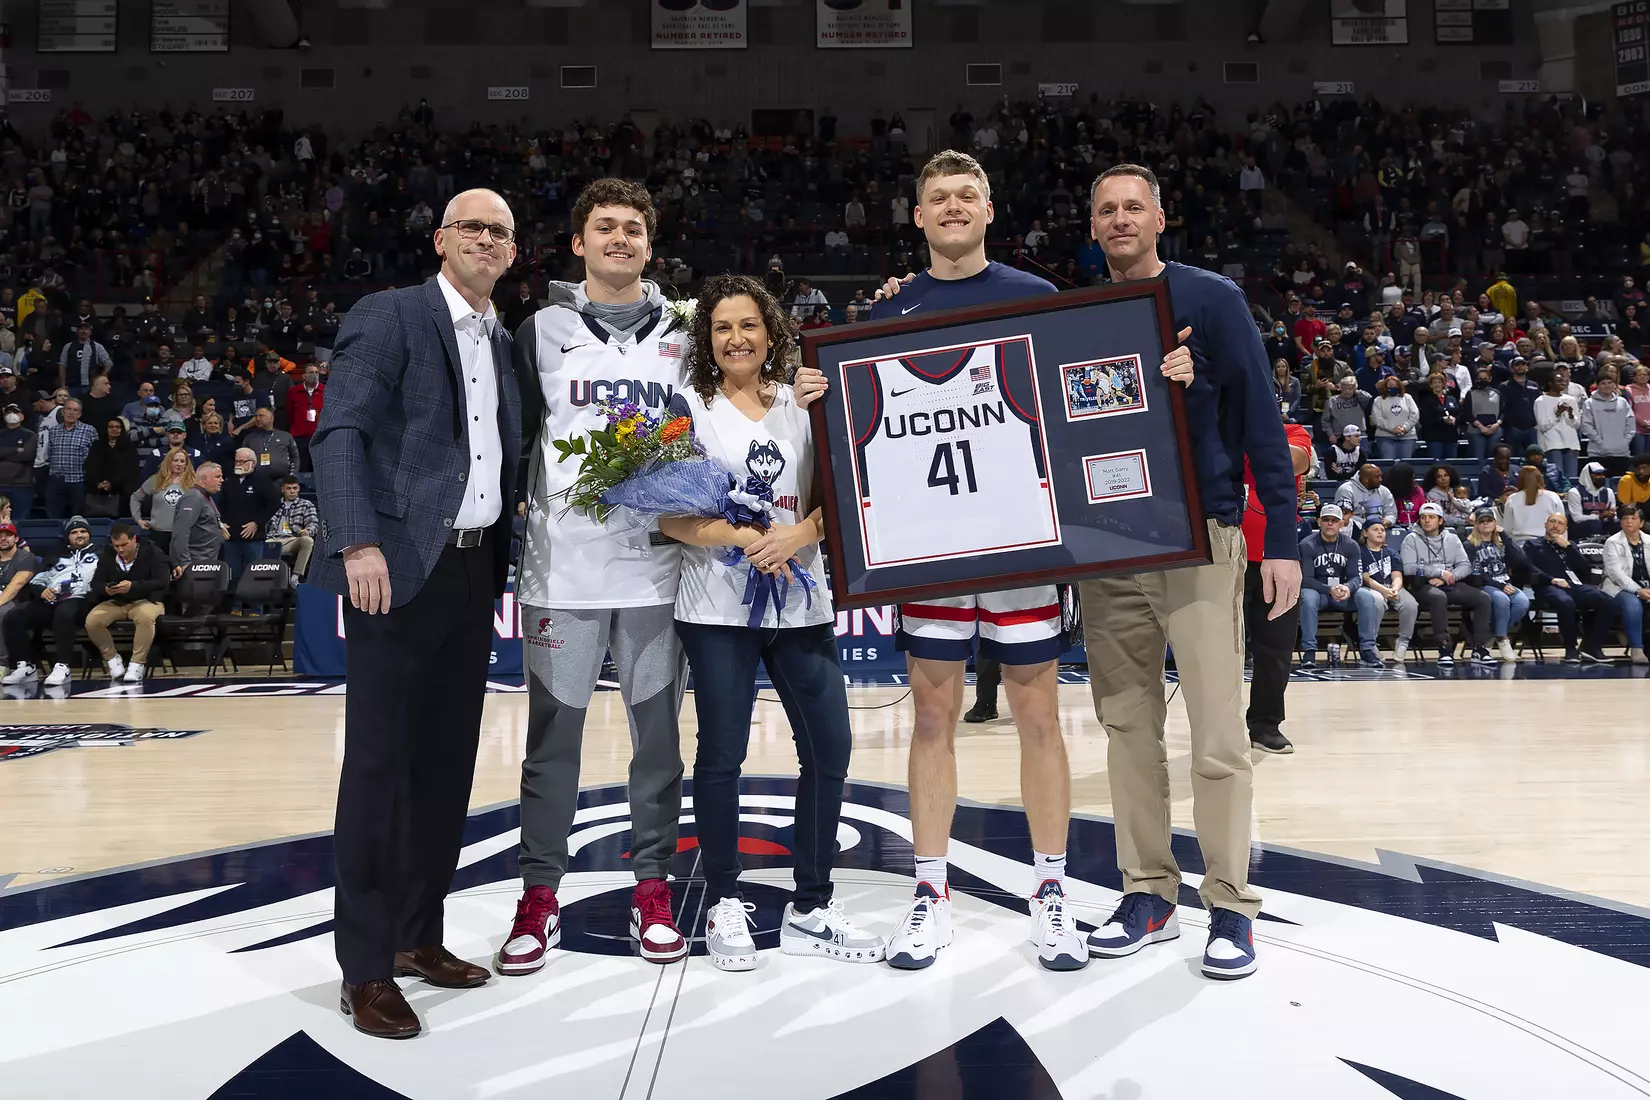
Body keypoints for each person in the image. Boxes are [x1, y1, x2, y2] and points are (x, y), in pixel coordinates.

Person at [865, 152, 1102, 974]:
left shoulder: (1034, 296)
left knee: (1039, 716)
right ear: (919, 216)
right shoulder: (890, 310)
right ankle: (930, 894)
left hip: (1021, 543)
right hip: (929, 547)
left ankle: (1051, 891)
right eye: (939, 197)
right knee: (933, 717)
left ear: (990, 211)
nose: (954, 207)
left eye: (967, 195)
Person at [309, 188, 523, 1039]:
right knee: (378, 769)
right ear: (440, 239)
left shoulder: (504, 340)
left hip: (474, 572)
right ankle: (364, 967)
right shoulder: (391, 314)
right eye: (472, 227)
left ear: (513, 252)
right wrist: (357, 542)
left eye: (500, 232)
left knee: (444, 768)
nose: (486, 240)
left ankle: (416, 935)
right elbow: (340, 432)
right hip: (394, 571)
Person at [1076, 162, 1298, 981]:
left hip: (1202, 537)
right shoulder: (1079, 315)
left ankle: (1232, 903)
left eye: (1134, 207)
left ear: (1160, 218)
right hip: (1108, 543)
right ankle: (1148, 892)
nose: (1121, 219)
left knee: (1218, 732)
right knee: (1127, 728)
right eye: (1108, 210)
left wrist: (1282, 540)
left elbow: (1263, 421)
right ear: (1093, 226)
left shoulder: (1212, 299)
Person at [499, 180, 697, 976]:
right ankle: (539, 897)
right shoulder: (539, 330)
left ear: (650, 244)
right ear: (577, 243)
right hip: (563, 574)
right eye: (605, 227)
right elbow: (511, 439)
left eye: (633, 228)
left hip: (658, 574)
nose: (620, 238)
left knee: (659, 744)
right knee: (552, 747)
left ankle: (653, 887)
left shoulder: (686, 331)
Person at [656, 275, 882, 971]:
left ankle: (812, 905)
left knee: (830, 749)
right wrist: (745, 538)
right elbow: (669, 518)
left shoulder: (803, 402)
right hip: (716, 608)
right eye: (722, 327)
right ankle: (723, 900)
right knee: (721, 756)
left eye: (748, 324)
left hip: (800, 602)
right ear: (706, 338)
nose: (736, 339)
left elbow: (841, 496)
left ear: (771, 330)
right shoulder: (686, 407)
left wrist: (798, 534)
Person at [1243, 408, 1313, 754]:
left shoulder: (1293, 432)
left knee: (1276, 647)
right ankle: (1219, 727)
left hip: (1277, 558)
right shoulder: (1220, 432)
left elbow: (1291, 461)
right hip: (1226, 559)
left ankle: (1265, 725)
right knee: (1220, 650)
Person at [0, 515, 99, 687]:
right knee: (14, 616)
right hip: (51, 599)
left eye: (83, 531)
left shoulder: (101, 554)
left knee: (64, 613)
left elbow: (103, 579)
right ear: (68, 536)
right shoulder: (55, 554)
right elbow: (37, 579)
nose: (79, 535)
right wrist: (42, 591)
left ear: (89, 534)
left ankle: (62, 666)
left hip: (81, 600)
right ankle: (25, 666)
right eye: (74, 532)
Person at [1400, 502, 1495, 666]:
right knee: (1438, 598)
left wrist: (1448, 577)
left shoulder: (1452, 538)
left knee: (1483, 598)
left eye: (1431, 517)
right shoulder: (1411, 539)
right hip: (1422, 585)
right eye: (1423, 517)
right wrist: (1437, 572)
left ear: (1441, 520)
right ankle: (1444, 647)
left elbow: (1465, 565)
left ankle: (1479, 648)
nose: (1426, 521)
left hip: (1450, 583)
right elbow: (1409, 568)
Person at [1297, 504, 1385, 669]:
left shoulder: (1351, 545)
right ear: (1319, 522)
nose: (1330, 523)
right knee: (1307, 597)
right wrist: (1329, 589)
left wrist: (1347, 588)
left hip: (1343, 593)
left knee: (1367, 596)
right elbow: (1306, 579)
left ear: (1342, 523)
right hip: (1319, 593)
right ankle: (1309, 651)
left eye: (1334, 520)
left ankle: (1367, 649)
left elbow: (1356, 577)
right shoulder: (1307, 544)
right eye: (1326, 520)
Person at [1523, 511, 1618, 664]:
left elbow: (1585, 569)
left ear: (1565, 528)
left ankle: (1591, 646)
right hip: (1547, 586)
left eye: (1560, 523)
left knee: (1609, 603)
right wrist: (1552, 579)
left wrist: (1568, 547)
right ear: (1545, 525)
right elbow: (1528, 568)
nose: (1555, 526)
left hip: (1573, 585)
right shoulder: (1532, 545)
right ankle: (1570, 648)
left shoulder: (1570, 545)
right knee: (1566, 602)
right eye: (1552, 521)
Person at [83, 521, 169, 683]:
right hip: (117, 601)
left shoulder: (153, 552)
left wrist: (133, 586)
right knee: (93, 620)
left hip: (147, 600)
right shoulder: (108, 555)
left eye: (124, 545)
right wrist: (106, 589)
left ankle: (137, 663)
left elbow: (162, 582)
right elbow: (96, 583)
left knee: (145, 617)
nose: (120, 550)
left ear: (134, 539)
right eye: (116, 546)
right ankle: (112, 658)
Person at [1462, 504, 1532, 662]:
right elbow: (1475, 574)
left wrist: (1505, 536)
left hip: (1505, 582)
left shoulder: (1501, 543)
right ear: (1476, 525)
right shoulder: (1470, 545)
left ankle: (1494, 635)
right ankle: (1502, 638)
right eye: (1481, 521)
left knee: (1522, 602)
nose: (1485, 523)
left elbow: (1521, 560)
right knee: (1501, 599)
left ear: (1495, 523)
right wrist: (1500, 586)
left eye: (1489, 520)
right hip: (1484, 584)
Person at [1359, 516, 1419, 663]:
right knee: (1377, 602)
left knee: (1410, 604)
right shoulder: (1360, 552)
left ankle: (1403, 641)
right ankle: (1372, 642)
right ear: (1365, 533)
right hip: (1371, 588)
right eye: (1375, 529)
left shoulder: (1391, 553)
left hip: (1392, 587)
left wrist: (1395, 589)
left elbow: (1397, 575)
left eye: (1382, 530)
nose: (1380, 532)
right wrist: (1383, 591)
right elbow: (1365, 578)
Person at [1600, 504, 1650, 664]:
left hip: (1647, 587)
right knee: (1632, 603)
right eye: (1625, 518)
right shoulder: (1612, 542)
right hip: (1619, 587)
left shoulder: (1649, 541)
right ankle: (1636, 649)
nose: (1629, 521)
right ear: (1620, 522)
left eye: (1633, 518)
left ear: (1641, 523)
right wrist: (1638, 590)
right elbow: (1616, 573)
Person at [170, 461, 227, 577]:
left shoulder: (206, 497)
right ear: (205, 479)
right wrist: (185, 562)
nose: (222, 480)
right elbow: (181, 532)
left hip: (206, 561)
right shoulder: (193, 498)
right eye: (217, 477)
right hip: (195, 563)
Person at [42, 397, 96, 518]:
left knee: (77, 516)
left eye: (75, 410)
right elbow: (50, 453)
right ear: (62, 411)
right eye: (68, 409)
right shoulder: (53, 431)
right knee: (53, 516)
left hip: (78, 480)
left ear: (80, 414)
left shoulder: (89, 431)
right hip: (56, 480)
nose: (71, 413)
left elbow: (95, 457)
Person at [0, 520, 38, 676]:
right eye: (0, 536)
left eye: (8, 535)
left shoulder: (26, 557)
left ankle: (2, 664)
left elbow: (17, 584)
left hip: (18, 600)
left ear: (16, 538)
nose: (3, 538)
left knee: (2, 612)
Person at [84, 417, 138, 518]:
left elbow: (130, 469)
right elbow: (91, 466)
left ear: (122, 429)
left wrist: (112, 483)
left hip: (122, 490)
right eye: (111, 427)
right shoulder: (97, 445)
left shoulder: (128, 447)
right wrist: (98, 483)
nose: (114, 429)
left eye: (117, 427)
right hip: (99, 489)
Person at [267, 475, 318, 581]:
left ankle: (295, 577)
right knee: (256, 544)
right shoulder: (274, 504)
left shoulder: (306, 505)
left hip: (292, 540)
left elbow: (313, 524)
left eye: (295, 488)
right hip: (272, 539)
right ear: (282, 489)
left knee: (307, 541)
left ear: (298, 488)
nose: (292, 491)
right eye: (288, 488)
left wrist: (308, 531)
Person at [1534, 371, 1582, 483]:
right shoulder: (1540, 401)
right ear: (1550, 383)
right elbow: (1543, 426)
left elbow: (1577, 425)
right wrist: (1557, 414)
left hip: (1571, 444)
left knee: (1571, 480)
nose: (1563, 383)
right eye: (1559, 381)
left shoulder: (1571, 399)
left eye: (1564, 381)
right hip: (1552, 444)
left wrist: (1570, 415)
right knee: (1556, 480)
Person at [1503, 465, 1567, 543]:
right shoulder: (1553, 497)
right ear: (1540, 479)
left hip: (1521, 544)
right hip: (1547, 544)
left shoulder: (1512, 498)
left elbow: (1507, 529)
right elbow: (1562, 523)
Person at [1581, 372, 1637, 460]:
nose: (1607, 386)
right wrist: (1600, 442)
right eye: (1603, 383)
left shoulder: (1622, 402)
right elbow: (1586, 426)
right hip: (1597, 453)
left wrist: (1625, 442)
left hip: (1622, 453)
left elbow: (1630, 424)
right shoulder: (1589, 403)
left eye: (1610, 383)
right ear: (1597, 386)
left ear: (1614, 385)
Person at [1370, 373, 1419, 460]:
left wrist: (1404, 428)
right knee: (1389, 462)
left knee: (1405, 464)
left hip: (1407, 437)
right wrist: (1392, 428)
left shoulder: (1407, 398)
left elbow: (1414, 415)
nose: (1393, 388)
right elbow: (1377, 419)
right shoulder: (1378, 400)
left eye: (1395, 386)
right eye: (1390, 386)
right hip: (1385, 437)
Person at [0, 403, 35, 521]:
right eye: (9, 412)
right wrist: (15, 450)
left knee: (21, 520)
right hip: (1, 483)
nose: (12, 415)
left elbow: (27, 455)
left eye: (15, 412)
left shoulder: (30, 435)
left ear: (22, 416)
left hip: (22, 484)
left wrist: (4, 454)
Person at [287, 363, 325, 471]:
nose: (315, 375)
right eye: (311, 372)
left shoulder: (325, 390)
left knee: (318, 468)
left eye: (316, 372)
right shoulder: (293, 391)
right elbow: (289, 413)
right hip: (299, 437)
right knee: (301, 468)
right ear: (304, 376)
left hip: (319, 437)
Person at [1568, 462, 1619, 538]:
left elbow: (1612, 515)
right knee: (1594, 523)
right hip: (1580, 527)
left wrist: (1611, 516)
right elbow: (1577, 518)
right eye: (1598, 474)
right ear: (1588, 476)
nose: (1602, 477)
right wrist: (1599, 517)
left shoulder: (1608, 492)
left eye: (1603, 474)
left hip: (1602, 525)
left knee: (1619, 523)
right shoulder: (1575, 492)